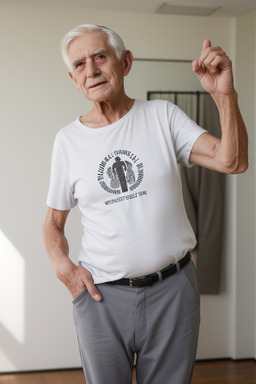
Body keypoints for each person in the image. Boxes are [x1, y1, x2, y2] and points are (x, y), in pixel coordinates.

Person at [43, 24, 248, 384]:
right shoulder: (67, 141)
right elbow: (53, 223)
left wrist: (224, 96)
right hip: (101, 298)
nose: (90, 70)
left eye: (100, 57)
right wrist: (66, 270)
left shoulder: (162, 116)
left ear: (126, 62)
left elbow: (232, 161)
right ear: (73, 79)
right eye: (79, 65)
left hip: (174, 291)